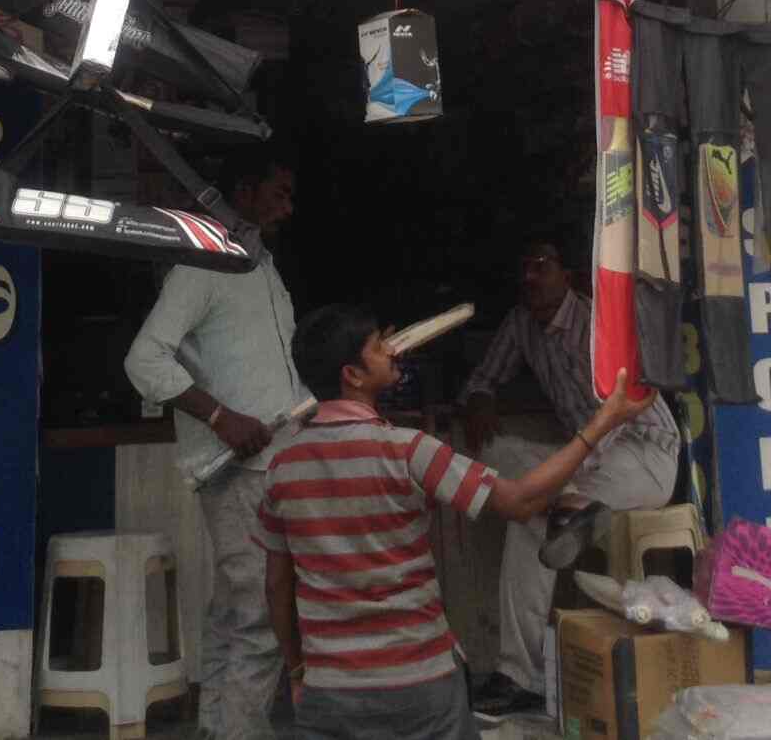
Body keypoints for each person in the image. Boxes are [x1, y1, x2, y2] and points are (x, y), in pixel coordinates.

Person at [257, 303, 646, 740]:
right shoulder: (409, 452)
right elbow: (521, 502)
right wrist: (601, 424)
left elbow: (277, 586)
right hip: (420, 684)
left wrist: (295, 670)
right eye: (378, 346)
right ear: (354, 375)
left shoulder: (281, 470)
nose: (392, 350)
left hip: (329, 693)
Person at [459, 238, 684, 719]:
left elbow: (634, 406)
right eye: (525, 267)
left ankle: (569, 507)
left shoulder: (596, 318)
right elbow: (482, 378)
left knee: (537, 507)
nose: (532, 276)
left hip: (644, 453)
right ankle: (518, 675)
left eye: (543, 265)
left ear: (567, 274)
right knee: (514, 489)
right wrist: (479, 399)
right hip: (585, 459)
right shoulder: (521, 323)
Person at [123, 148, 305, 740]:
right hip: (234, 468)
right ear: (244, 193)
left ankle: (217, 728)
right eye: (278, 191)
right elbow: (144, 360)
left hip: (274, 463)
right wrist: (222, 416)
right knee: (260, 616)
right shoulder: (201, 267)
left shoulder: (265, 268)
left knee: (235, 611)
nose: (288, 205)